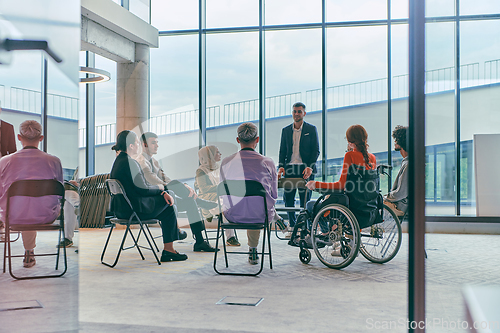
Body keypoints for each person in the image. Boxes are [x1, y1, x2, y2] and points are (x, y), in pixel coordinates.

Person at [110, 130, 187, 262]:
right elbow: (143, 189)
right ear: (131, 146)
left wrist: (161, 192)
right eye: (137, 143)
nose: (138, 146)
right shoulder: (130, 163)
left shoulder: (118, 161)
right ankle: (169, 250)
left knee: (165, 205)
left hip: (122, 209)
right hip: (134, 210)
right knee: (168, 205)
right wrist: (161, 188)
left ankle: (170, 247)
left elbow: (139, 188)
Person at [136, 132, 217, 253]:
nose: (157, 145)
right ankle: (199, 201)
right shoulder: (141, 162)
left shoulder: (155, 162)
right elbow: (154, 180)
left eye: (157, 142)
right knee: (175, 185)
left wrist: (184, 186)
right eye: (153, 143)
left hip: (166, 198)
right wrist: (173, 186)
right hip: (154, 200)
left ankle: (200, 241)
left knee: (190, 201)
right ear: (144, 144)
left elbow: (165, 178)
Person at [0, 120, 63, 268]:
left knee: (22, 205)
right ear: (41, 138)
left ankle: (29, 251)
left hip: (13, 216)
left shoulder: (4, 161)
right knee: (33, 205)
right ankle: (29, 251)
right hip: (46, 216)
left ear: (19, 137)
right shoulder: (54, 161)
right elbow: (60, 194)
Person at [220, 122, 278, 265]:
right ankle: (253, 248)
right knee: (259, 205)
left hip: (233, 215)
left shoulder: (226, 162)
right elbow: (274, 194)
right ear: (257, 140)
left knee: (248, 203)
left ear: (238, 140)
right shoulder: (267, 162)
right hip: (260, 215)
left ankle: (252, 247)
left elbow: (222, 192)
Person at [306, 124, 376, 202]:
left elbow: (340, 185)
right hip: (369, 205)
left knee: (310, 205)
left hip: (353, 203)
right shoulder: (372, 157)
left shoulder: (350, 155)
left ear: (349, 141)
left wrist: (315, 184)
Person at [278, 102, 320, 231]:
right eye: (295, 111)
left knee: (305, 200)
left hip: (305, 168)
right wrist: (281, 166)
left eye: (299, 111)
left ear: (304, 113)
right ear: (292, 113)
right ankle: (292, 225)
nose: (297, 114)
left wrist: (310, 166)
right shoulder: (285, 130)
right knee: (288, 198)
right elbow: (282, 151)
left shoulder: (311, 129)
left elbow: (316, 150)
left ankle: (304, 227)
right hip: (290, 168)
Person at [195, 146, 240, 247]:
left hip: (220, 195)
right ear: (209, 156)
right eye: (217, 152)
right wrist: (222, 187)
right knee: (225, 204)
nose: (220, 154)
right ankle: (230, 238)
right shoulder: (201, 171)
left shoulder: (220, 167)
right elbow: (204, 189)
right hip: (207, 199)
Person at [384, 125, 408, 216]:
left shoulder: (409, 164)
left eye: (396, 140)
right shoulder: (410, 162)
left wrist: (386, 196)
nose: (394, 142)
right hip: (402, 204)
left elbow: (401, 193)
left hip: (399, 206)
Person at [57, 180, 80, 248]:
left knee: (67, 193)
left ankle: (68, 238)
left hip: (78, 191)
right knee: (68, 202)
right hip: (72, 191)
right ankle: (77, 205)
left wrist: (77, 184)